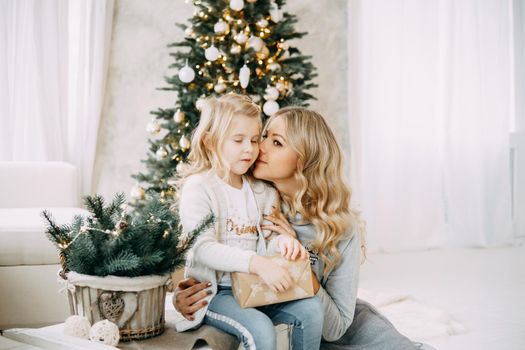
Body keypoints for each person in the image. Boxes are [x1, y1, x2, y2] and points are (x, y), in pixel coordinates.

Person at [175, 106, 421, 350]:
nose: (257, 147)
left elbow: (334, 328)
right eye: (264, 136)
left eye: (277, 142)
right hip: (264, 314)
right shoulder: (246, 195)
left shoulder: (340, 228)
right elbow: (206, 248)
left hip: (340, 333)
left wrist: (296, 265)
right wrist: (182, 296)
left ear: (305, 160)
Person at [175, 94, 324, 350]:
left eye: (255, 140)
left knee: (311, 309)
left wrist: (285, 243)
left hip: (257, 286)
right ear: (211, 142)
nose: (250, 148)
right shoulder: (199, 187)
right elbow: (202, 247)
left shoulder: (261, 190)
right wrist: (257, 264)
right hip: (216, 294)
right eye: (238, 140)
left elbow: (269, 237)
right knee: (260, 329)